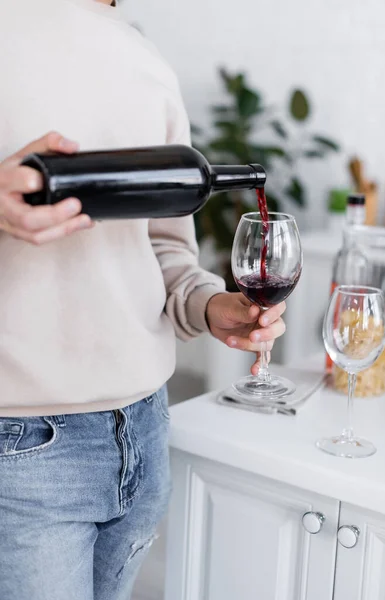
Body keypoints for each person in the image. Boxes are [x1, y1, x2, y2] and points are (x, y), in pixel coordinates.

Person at [0, 0, 286, 598]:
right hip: (23, 449)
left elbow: (163, 247)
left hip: (143, 429)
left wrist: (211, 303)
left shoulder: (143, 59)